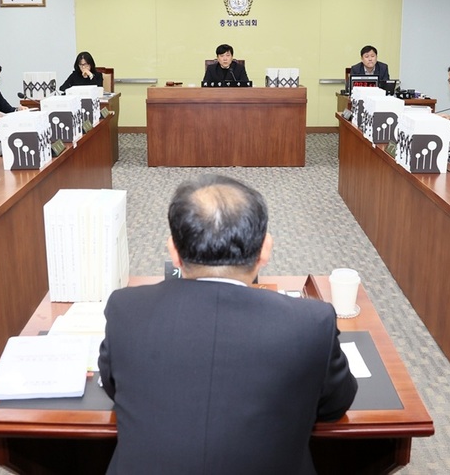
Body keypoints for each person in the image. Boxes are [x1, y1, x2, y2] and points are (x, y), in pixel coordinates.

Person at [98, 174, 358, 474]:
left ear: (173, 251)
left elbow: (113, 387)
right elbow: (335, 405)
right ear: (266, 250)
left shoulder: (125, 310)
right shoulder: (312, 323)